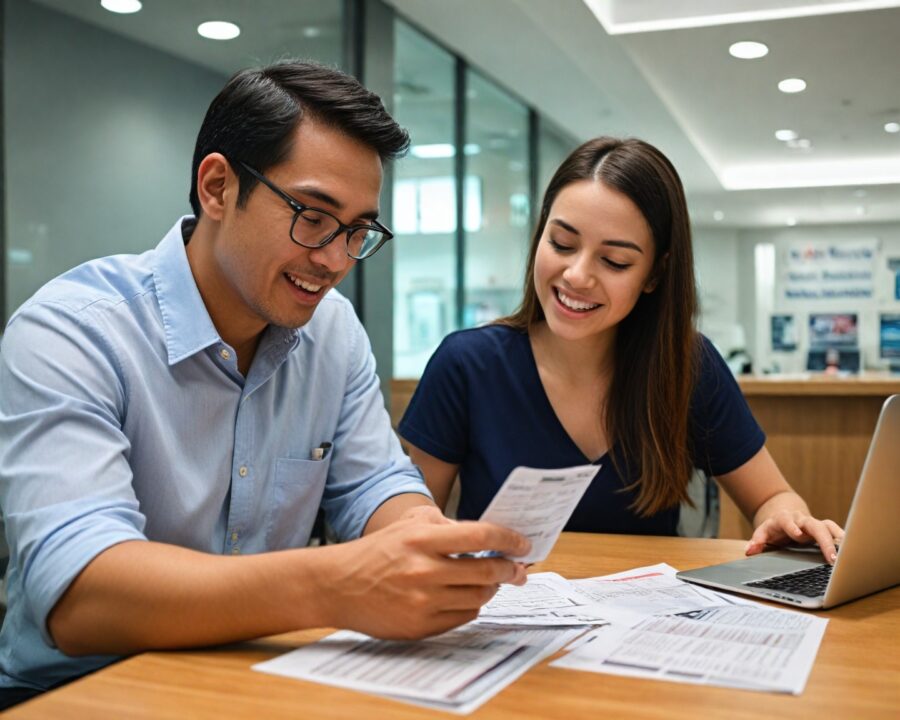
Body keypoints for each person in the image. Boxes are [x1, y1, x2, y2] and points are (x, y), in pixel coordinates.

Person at [0, 61, 529, 705]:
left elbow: (375, 485)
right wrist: (335, 584)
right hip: (78, 693)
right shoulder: (72, 332)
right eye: (313, 216)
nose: (337, 260)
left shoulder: (332, 332)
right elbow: (81, 596)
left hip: (257, 680)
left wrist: (423, 540)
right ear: (218, 188)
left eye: (360, 230)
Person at [400, 137, 843, 560]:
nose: (577, 275)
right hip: (498, 615)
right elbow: (408, 524)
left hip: (645, 628)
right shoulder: (468, 365)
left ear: (654, 275)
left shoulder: (686, 366)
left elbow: (771, 496)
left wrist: (788, 519)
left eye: (615, 262)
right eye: (562, 243)